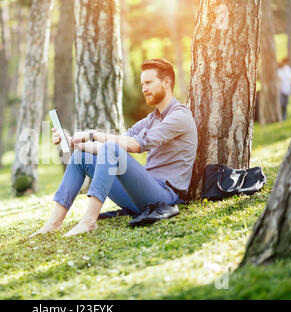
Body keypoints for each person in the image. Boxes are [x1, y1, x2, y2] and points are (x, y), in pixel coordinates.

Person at [30, 58, 198, 237]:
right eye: (142, 84)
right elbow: (116, 145)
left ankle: (89, 221)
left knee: (112, 148)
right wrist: (73, 141)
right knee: (81, 157)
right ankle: (54, 223)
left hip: (165, 197)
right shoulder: (151, 119)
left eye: (148, 82)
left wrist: (92, 134)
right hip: (141, 195)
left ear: (166, 82)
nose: (143, 89)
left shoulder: (180, 116)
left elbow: (133, 145)